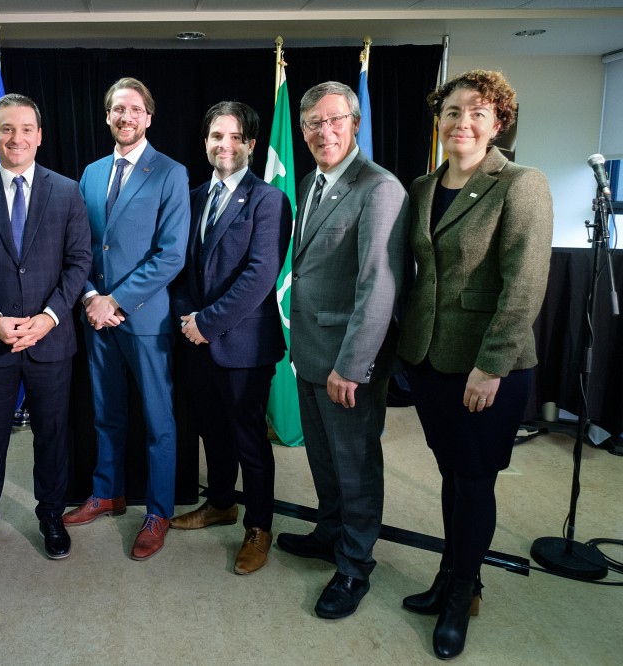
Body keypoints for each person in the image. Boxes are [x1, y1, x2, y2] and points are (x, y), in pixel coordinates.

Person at [397, 70, 552, 660]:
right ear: (439, 121)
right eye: (453, 111)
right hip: (431, 358)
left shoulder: (520, 183)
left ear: (498, 123)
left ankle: (465, 592)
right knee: (450, 474)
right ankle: (451, 572)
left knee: (475, 479)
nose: (463, 122)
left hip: (490, 366)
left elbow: (526, 283)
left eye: (478, 113)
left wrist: (491, 367)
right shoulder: (420, 186)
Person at [275, 81, 409, 618]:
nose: (323, 131)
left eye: (333, 120)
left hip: (348, 362)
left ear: (354, 123)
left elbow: (378, 285)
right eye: (312, 123)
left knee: (355, 465)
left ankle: (355, 566)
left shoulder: (378, 188)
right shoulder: (310, 181)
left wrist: (351, 367)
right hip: (309, 351)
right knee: (324, 459)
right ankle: (329, 531)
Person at [0, 93, 91, 569]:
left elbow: (78, 263)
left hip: (51, 340)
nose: (16, 138)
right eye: (6, 128)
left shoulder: (67, 191)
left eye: (26, 129)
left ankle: (50, 515)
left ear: (40, 136)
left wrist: (48, 318)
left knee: (53, 435)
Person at [63, 77, 191, 561]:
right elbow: (80, 246)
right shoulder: (92, 173)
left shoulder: (170, 173)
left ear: (149, 116)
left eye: (134, 109)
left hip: (143, 319)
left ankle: (157, 512)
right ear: (108, 116)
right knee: (105, 414)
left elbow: (171, 255)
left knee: (159, 422)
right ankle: (106, 492)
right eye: (118, 109)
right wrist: (93, 296)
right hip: (97, 319)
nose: (125, 117)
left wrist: (113, 300)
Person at [169, 101, 290, 574]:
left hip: (243, 346)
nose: (226, 145)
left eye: (236, 137)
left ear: (252, 145)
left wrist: (206, 323)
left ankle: (259, 525)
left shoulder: (268, 200)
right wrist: (186, 319)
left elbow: (260, 276)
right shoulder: (194, 196)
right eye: (217, 136)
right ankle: (220, 503)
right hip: (196, 341)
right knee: (211, 433)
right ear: (206, 142)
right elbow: (180, 267)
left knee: (248, 441)